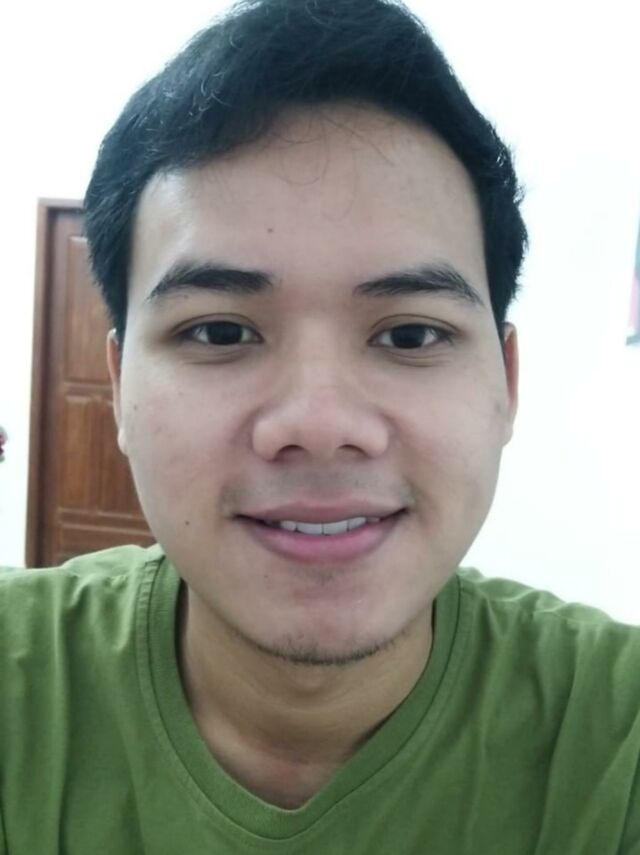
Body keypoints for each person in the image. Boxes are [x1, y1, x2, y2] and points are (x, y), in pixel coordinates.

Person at [2, 0, 638, 851]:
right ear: (120, 390)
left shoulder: (614, 738)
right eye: (218, 331)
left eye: (409, 335)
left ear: (507, 384)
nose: (320, 423)